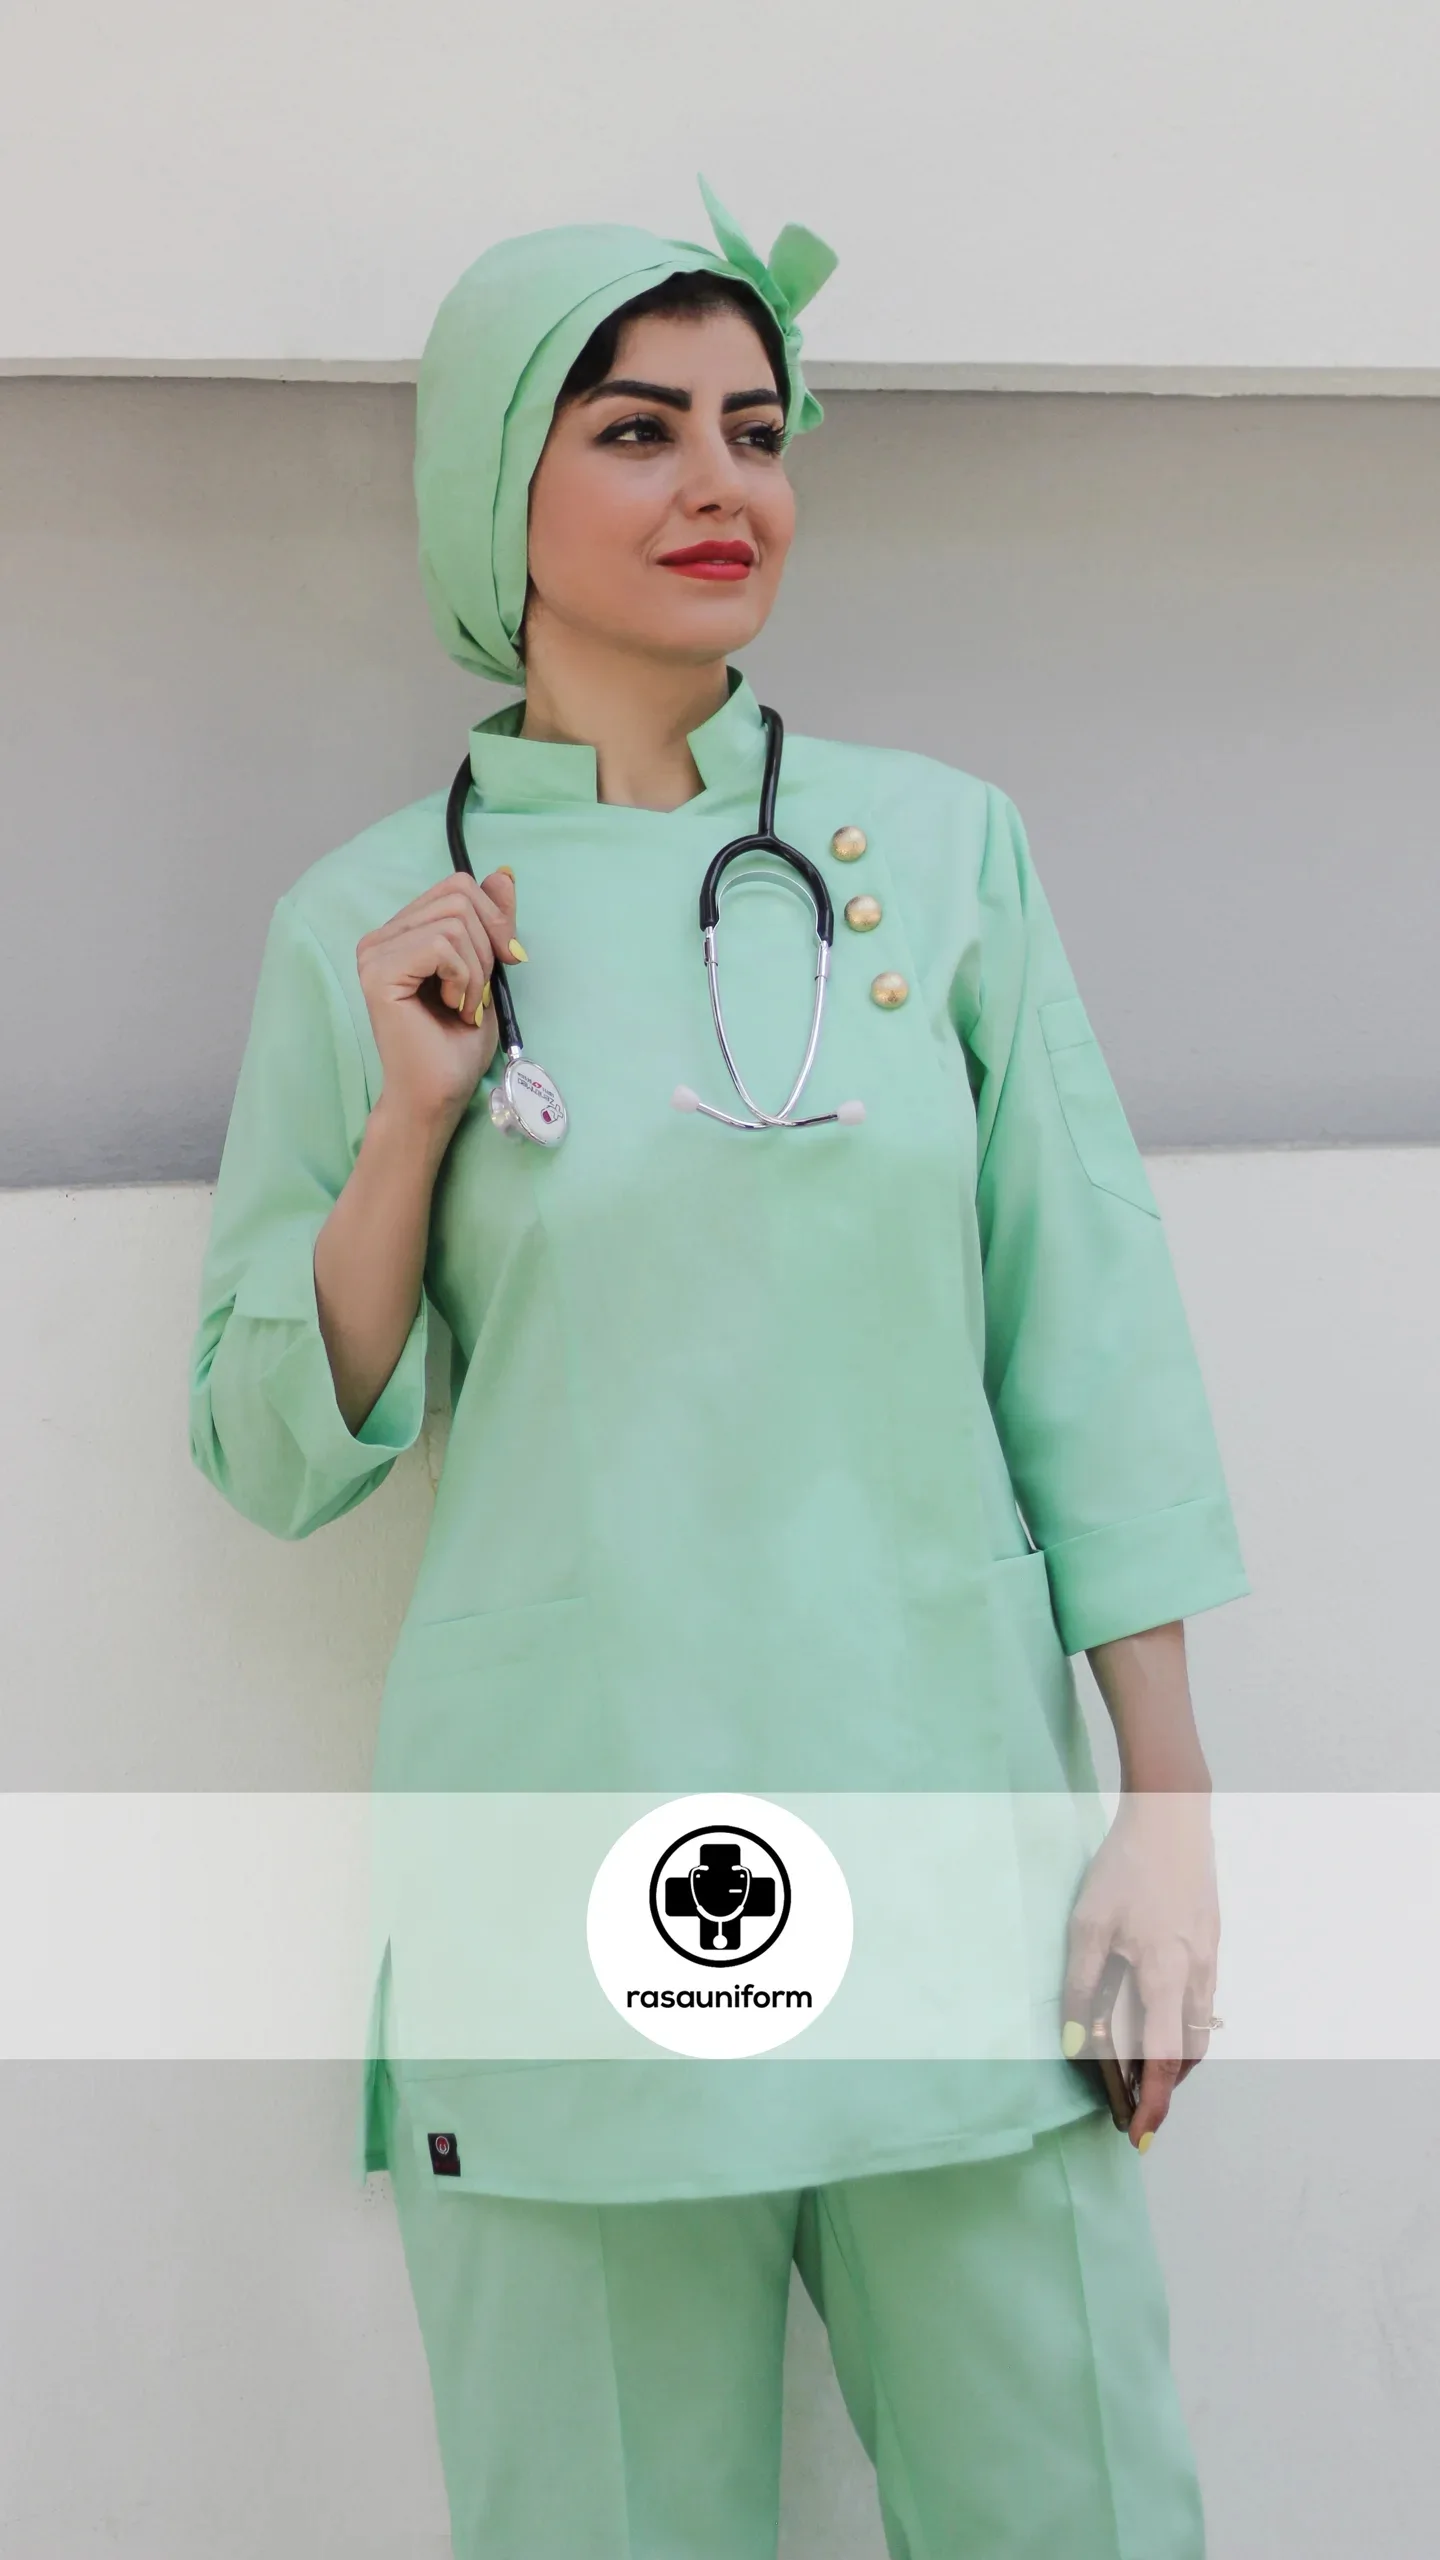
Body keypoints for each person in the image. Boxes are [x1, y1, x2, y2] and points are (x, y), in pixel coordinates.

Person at [188, 177, 1248, 2559]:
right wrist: (412, 1121)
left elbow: (1089, 1324)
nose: (721, 485)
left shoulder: (945, 859)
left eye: (757, 431)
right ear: (498, 485)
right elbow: (271, 1441)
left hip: (956, 1853)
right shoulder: (366, 926)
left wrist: (1167, 1799)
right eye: (639, 428)